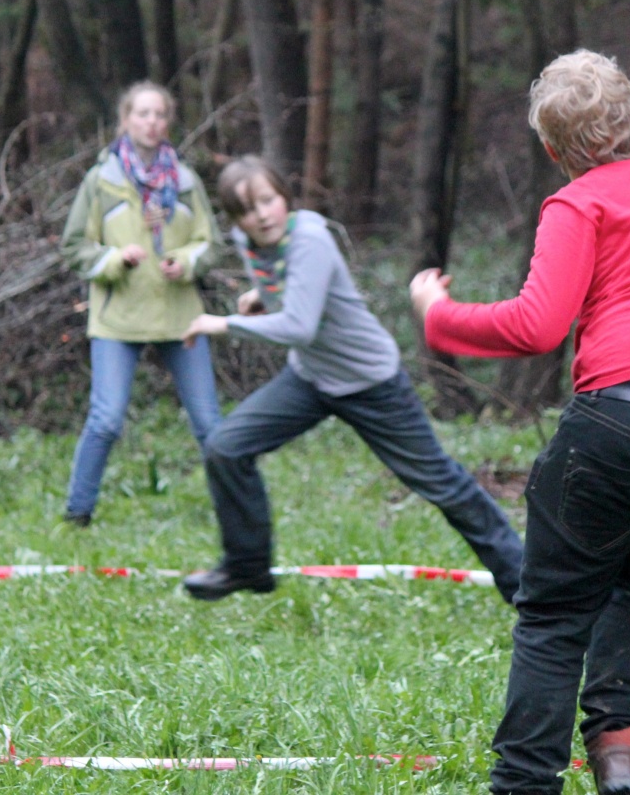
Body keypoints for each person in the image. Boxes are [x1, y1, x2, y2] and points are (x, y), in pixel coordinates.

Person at [412, 50, 630, 795]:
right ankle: (620, 765)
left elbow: (538, 326)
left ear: (552, 149)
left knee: (553, 614)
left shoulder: (578, 203)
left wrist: (439, 317)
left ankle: (522, 784)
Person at [178, 155, 523, 603]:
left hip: (370, 382)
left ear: (284, 197)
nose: (261, 215)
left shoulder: (310, 240)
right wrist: (261, 297)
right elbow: (292, 290)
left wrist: (220, 323)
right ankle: (247, 567)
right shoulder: (251, 242)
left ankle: (526, 583)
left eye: (268, 200)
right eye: (247, 209)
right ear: (235, 218)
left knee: (442, 484)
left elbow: (299, 326)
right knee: (226, 448)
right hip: (312, 378)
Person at [59, 81, 221, 526]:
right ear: (125, 120)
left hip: (181, 319)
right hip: (118, 320)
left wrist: (186, 262)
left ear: (168, 122)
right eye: (142, 114)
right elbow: (74, 246)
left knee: (210, 425)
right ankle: (77, 515)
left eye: (160, 115)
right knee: (107, 420)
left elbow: (212, 243)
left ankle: (238, 509)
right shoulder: (102, 181)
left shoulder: (186, 182)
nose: (152, 123)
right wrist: (113, 259)